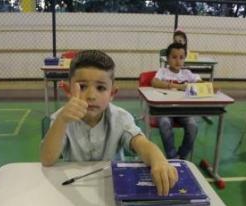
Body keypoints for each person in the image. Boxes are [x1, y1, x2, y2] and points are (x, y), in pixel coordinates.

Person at [41, 50, 178, 196]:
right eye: (82, 87)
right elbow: (47, 160)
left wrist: (158, 159)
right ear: (68, 91)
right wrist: (62, 121)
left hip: (114, 187)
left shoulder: (120, 118)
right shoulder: (62, 118)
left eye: (100, 88)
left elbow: (141, 143)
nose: (91, 96)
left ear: (112, 93)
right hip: (75, 188)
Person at [152, 43, 201, 159]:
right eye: (174, 57)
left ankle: (182, 156)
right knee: (164, 123)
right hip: (164, 110)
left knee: (193, 125)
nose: (178, 61)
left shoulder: (187, 74)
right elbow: (154, 82)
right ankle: (172, 157)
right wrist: (178, 86)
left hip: (183, 110)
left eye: (181, 57)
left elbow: (199, 83)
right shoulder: (163, 71)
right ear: (167, 59)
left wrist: (200, 85)